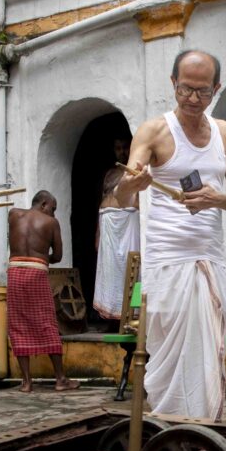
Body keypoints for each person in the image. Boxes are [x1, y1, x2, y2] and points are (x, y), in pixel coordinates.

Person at [114, 50, 226, 419]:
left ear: (216, 89)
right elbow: (123, 196)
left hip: (209, 258)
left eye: (203, 92)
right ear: (173, 83)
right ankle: (171, 428)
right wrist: (131, 183)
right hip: (168, 261)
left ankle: (204, 428)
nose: (192, 99)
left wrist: (216, 198)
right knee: (169, 351)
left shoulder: (225, 133)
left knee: (208, 352)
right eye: (185, 89)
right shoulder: (154, 130)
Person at [7, 191, 81, 393]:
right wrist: (42, 254)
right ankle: (60, 379)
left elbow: (11, 241)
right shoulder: (51, 223)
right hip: (37, 272)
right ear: (44, 204)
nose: (54, 213)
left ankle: (26, 382)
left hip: (14, 272)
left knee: (18, 324)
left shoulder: (13, 214)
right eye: (53, 208)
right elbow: (57, 255)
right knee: (47, 322)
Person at [93, 137, 140, 321]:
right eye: (118, 148)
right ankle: (111, 316)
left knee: (128, 267)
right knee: (110, 270)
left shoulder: (136, 173)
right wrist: (97, 233)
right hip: (108, 224)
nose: (122, 152)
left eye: (125, 147)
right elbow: (101, 199)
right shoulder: (110, 174)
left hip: (128, 222)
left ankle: (131, 315)